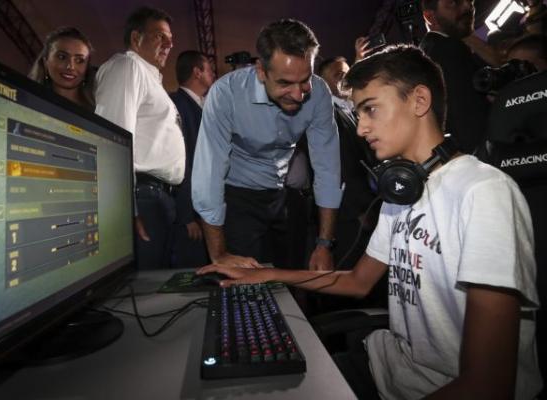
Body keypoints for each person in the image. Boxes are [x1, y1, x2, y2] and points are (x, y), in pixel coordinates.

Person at [197, 44, 543, 399]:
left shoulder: (483, 191)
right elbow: (358, 281)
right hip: (385, 368)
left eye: (371, 109)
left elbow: (488, 385)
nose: (361, 128)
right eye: (359, 113)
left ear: (419, 101)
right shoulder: (402, 191)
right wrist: (268, 275)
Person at [191, 19, 342, 271]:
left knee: (292, 277)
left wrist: (325, 244)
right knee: (242, 281)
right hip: (237, 197)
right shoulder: (226, 94)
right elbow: (208, 176)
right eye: (285, 83)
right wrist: (218, 254)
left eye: (304, 80)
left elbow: (328, 168)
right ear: (261, 70)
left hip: (284, 195)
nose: (298, 95)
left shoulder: (319, 93)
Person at [95, 7, 185, 269]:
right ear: (136, 38)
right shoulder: (128, 66)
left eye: (171, 39)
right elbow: (113, 138)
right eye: (160, 36)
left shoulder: (150, 77)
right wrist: (126, 209)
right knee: (145, 284)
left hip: (160, 197)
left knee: (157, 280)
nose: (169, 44)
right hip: (143, 197)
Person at [318, 56, 377, 268]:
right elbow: (340, 167)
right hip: (350, 213)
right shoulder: (328, 116)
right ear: (323, 83)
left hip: (369, 205)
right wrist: (359, 211)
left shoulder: (352, 110)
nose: (346, 79)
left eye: (347, 73)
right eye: (339, 76)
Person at [420, 0, 497, 154]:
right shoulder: (448, 50)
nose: (468, 7)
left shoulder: (430, 50)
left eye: (470, 1)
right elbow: (467, 117)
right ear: (429, 16)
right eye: (453, 3)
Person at [169, 51, 215, 268]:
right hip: (190, 210)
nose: (213, 74)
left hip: (204, 207)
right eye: (210, 69)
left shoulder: (202, 105)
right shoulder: (177, 104)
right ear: (197, 72)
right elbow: (183, 160)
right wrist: (186, 215)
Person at [28, 26, 95, 110]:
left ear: (87, 67)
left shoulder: (98, 111)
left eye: (79, 60)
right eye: (62, 57)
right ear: (45, 62)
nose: (70, 66)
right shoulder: (26, 101)